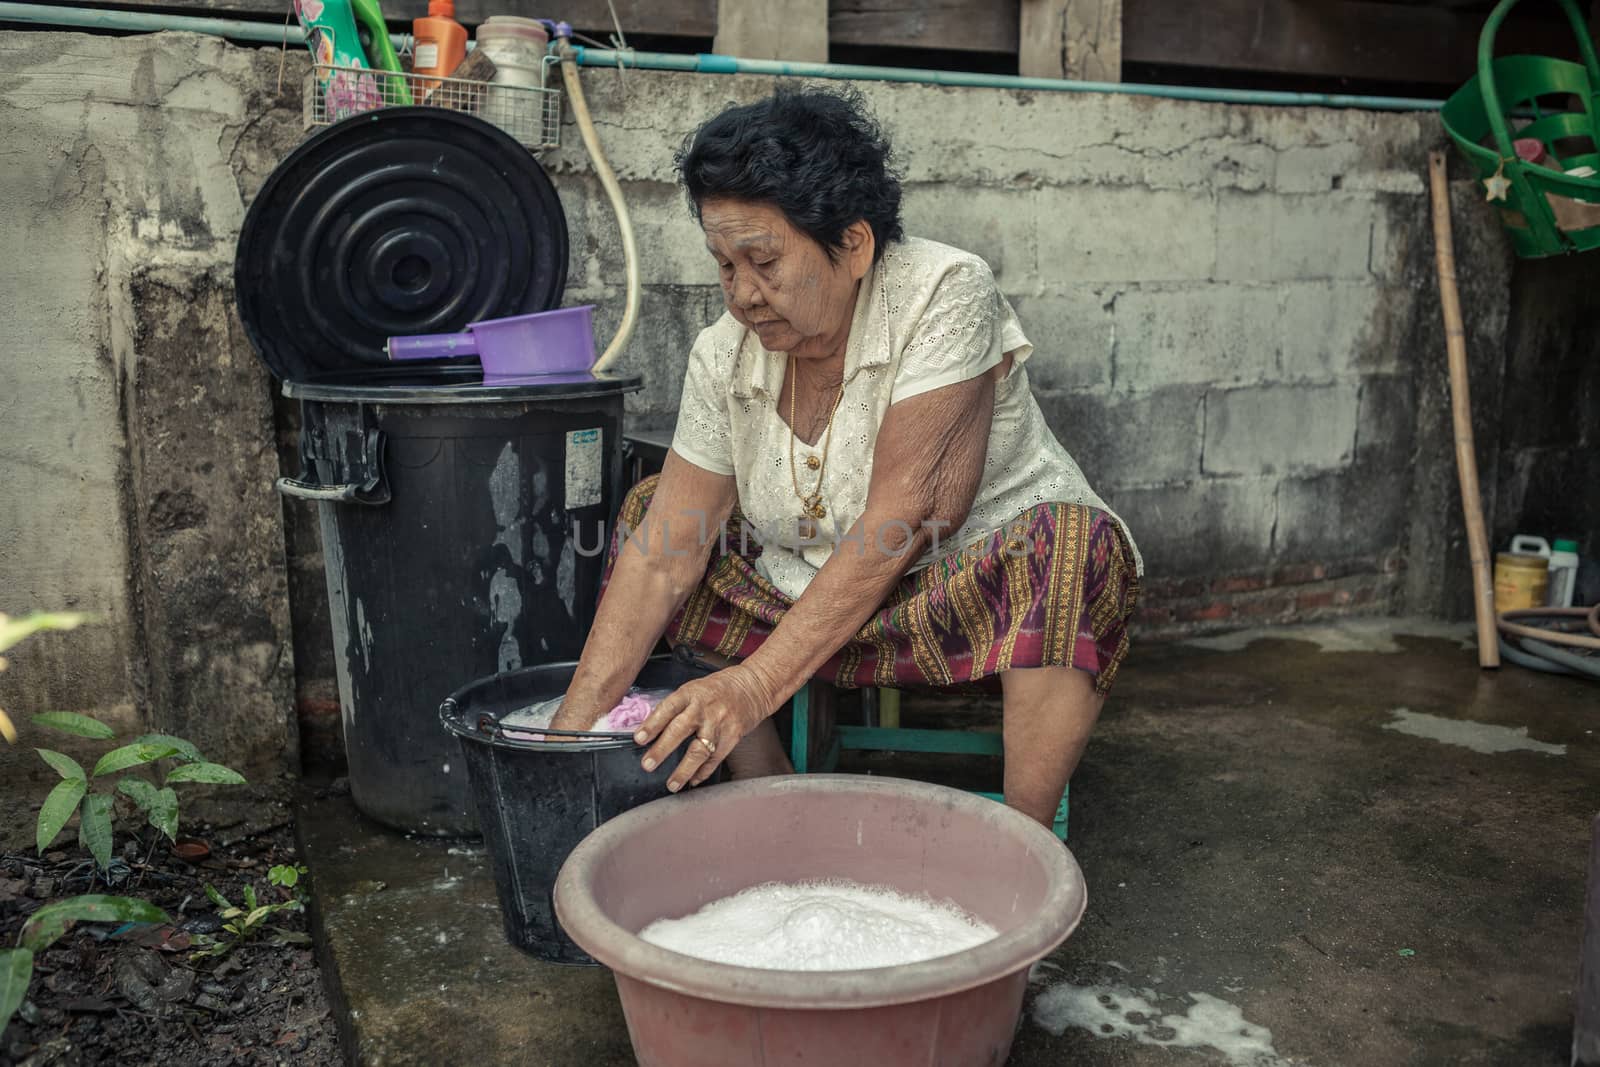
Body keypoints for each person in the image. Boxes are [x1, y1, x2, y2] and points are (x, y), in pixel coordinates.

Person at [549, 87, 1142, 828]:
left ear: (853, 244)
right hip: (798, 591)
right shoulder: (722, 354)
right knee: (656, 522)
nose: (742, 294)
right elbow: (666, 556)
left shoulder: (944, 292)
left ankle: (1022, 847)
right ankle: (768, 795)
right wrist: (561, 739)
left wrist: (754, 682)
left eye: (762, 260)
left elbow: (908, 515)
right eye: (724, 265)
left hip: (954, 587)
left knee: (1071, 547)